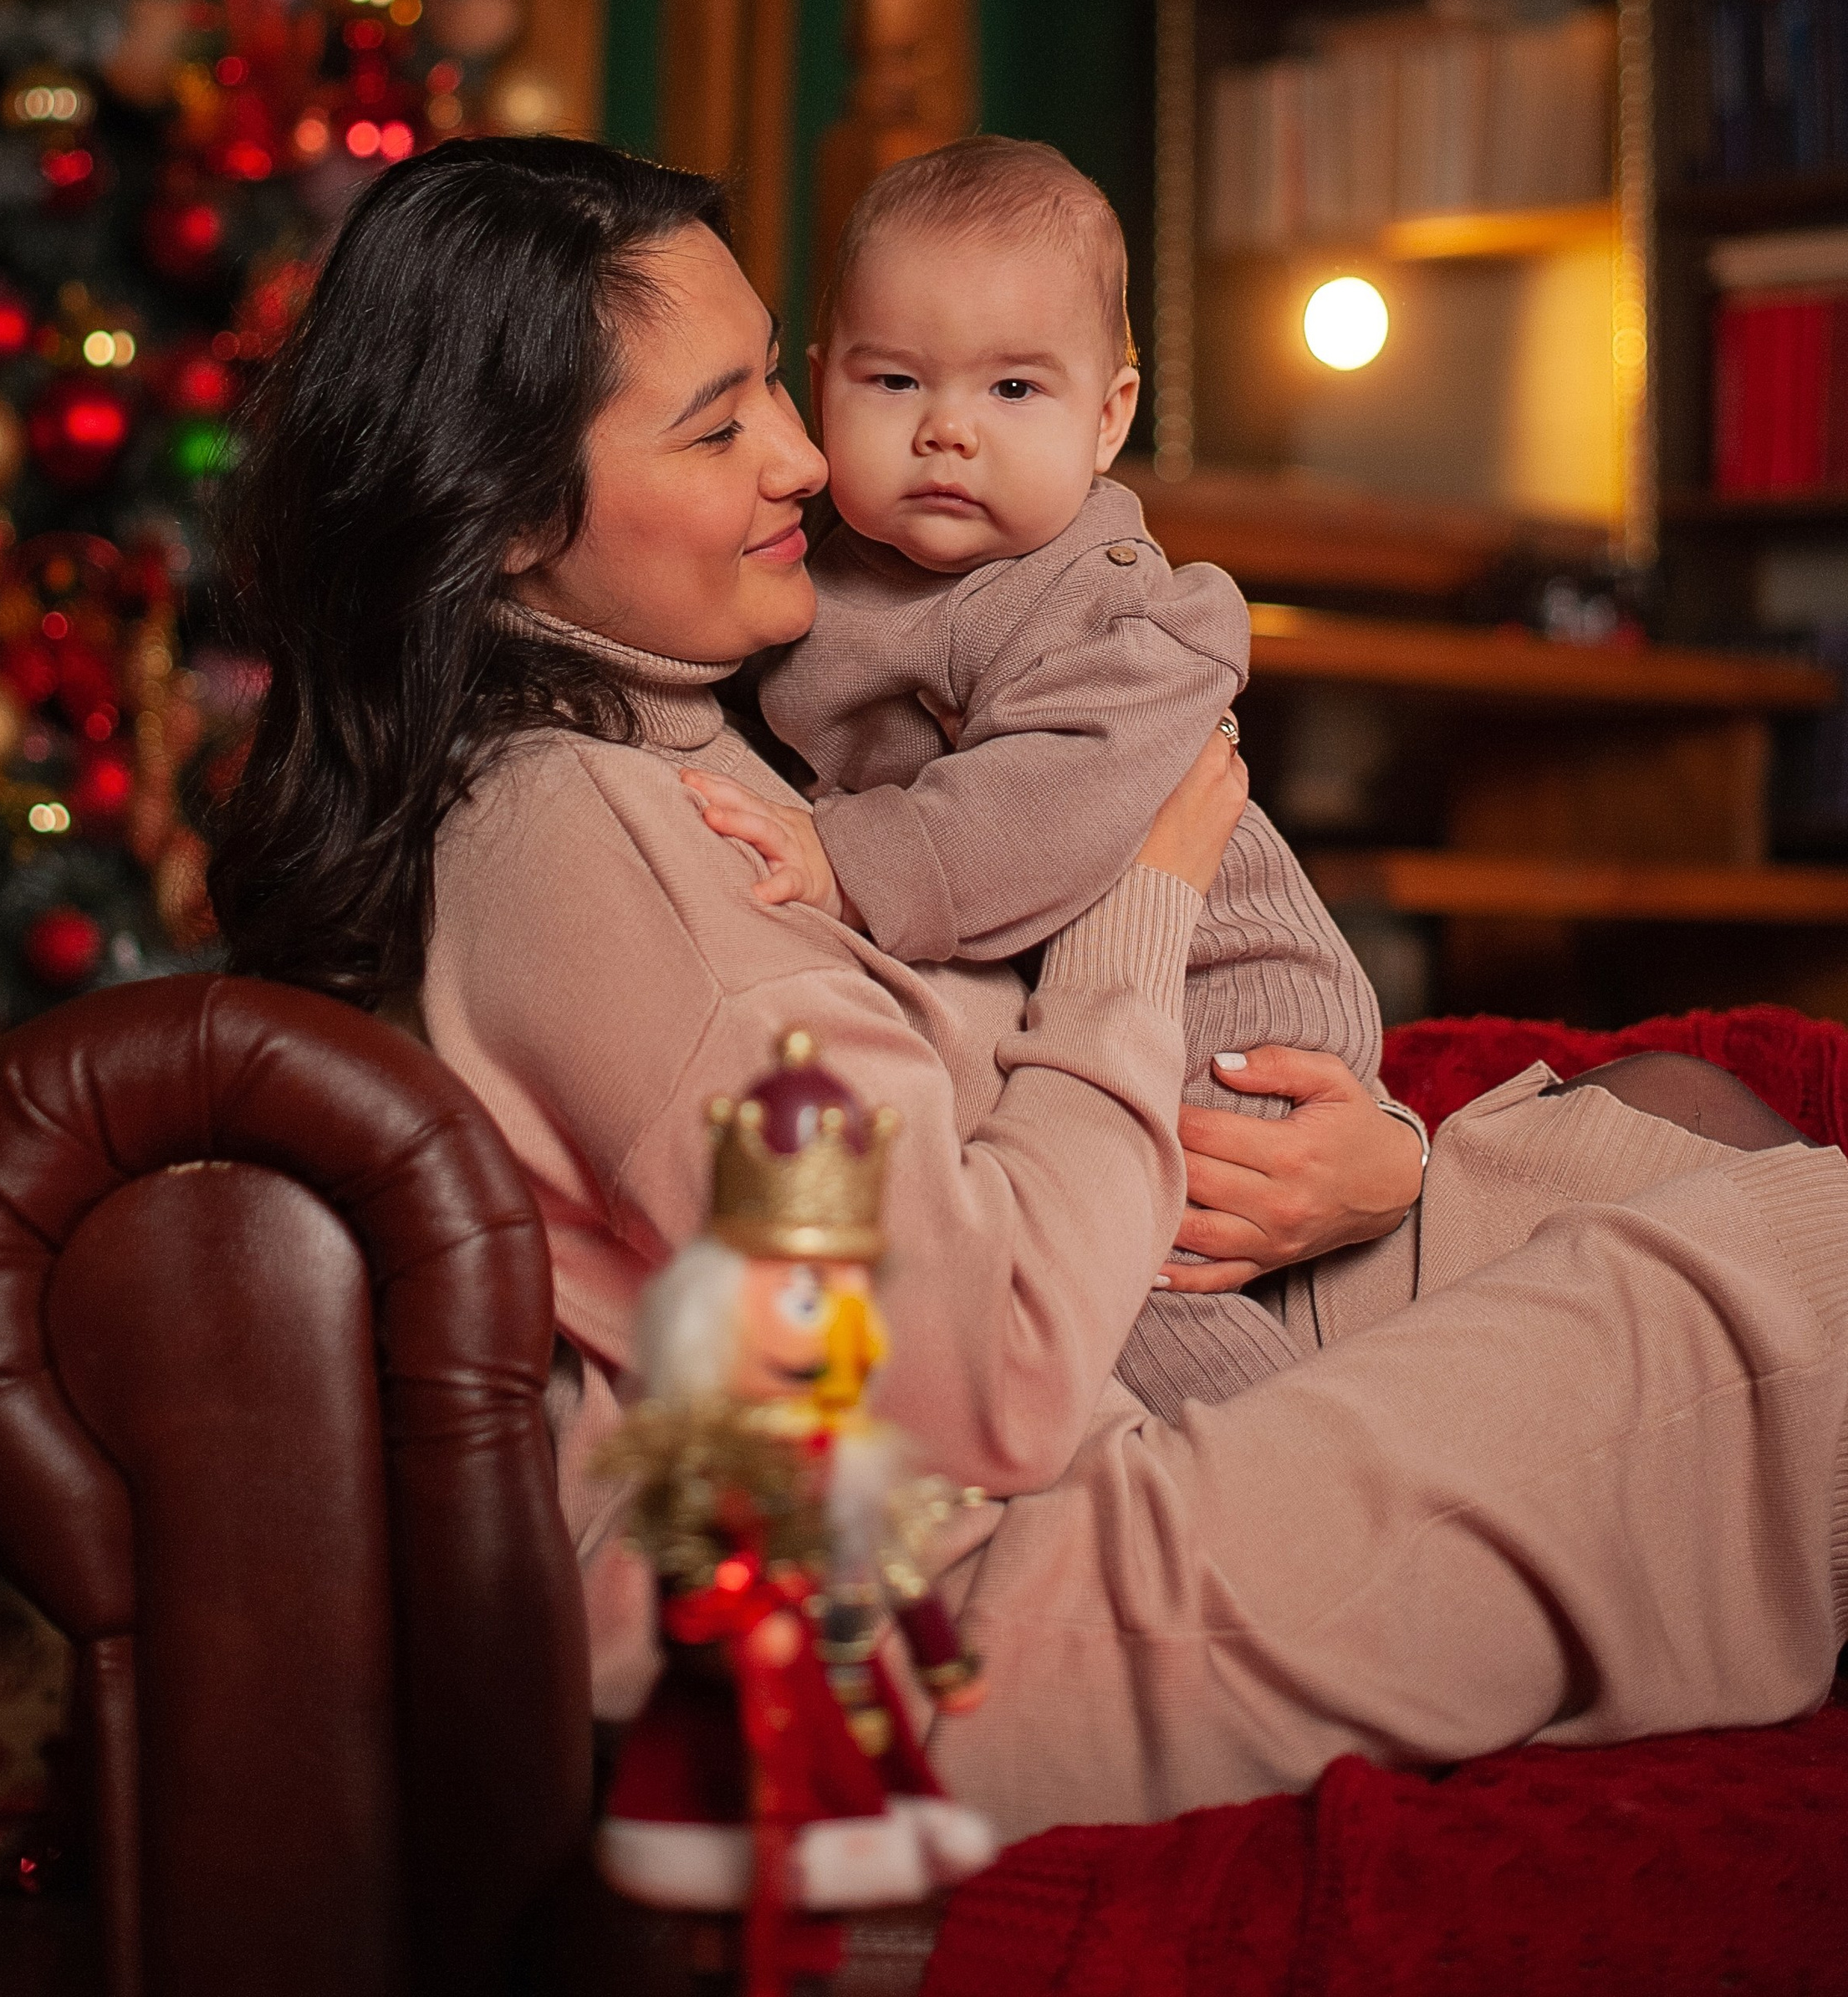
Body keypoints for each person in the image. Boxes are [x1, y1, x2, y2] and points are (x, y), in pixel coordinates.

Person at [212, 137, 1848, 1842]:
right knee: (1796, 1272)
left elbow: (968, 1055)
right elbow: (980, 1365)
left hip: (1098, 1363)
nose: (797, 453)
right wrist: (1139, 890)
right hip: (940, 1606)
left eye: (776, 372)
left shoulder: (715, 704)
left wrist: (1368, 1162)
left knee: (1650, 1154)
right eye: (713, 427)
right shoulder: (587, 849)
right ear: (496, 515)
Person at [679, 133, 1427, 1418]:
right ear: (821, 387)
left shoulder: (1104, 604)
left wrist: (845, 862)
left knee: (1160, 1305)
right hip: (1067, 1015)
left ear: (1109, 418)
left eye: (1015, 390)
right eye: (896, 380)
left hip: (1223, 1014)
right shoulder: (816, 570)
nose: (948, 432)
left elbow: (1049, 807)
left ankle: (1296, 1468)